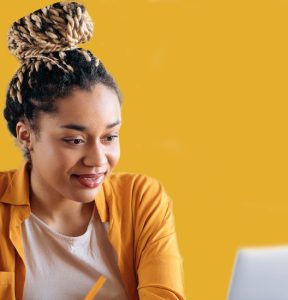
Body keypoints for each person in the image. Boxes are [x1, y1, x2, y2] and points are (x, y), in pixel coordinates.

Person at [0, 2, 185, 300]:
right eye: (74, 140)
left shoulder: (140, 201)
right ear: (26, 136)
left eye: (110, 137)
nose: (98, 160)